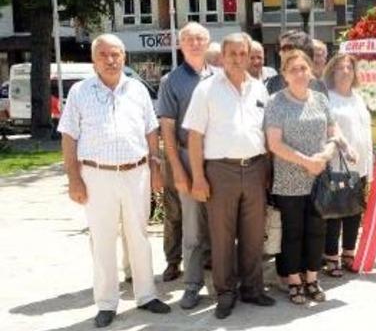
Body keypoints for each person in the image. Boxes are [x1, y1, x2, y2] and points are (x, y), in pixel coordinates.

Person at [58, 34, 171, 328]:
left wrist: (156, 168)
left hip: (137, 173)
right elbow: (69, 137)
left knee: (139, 235)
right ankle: (107, 303)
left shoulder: (137, 90)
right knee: (103, 240)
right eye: (104, 55)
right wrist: (74, 179)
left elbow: (151, 131)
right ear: (94, 60)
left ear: (124, 57)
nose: (110, 60)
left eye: (116, 54)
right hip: (97, 176)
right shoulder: (80, 92)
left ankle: (146, 295)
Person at [183, 33, 276, 320]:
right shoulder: (207, 89)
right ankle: (225, 293)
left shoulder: (260, 89)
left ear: (250, 57)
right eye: (232, 54)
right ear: (222, 57)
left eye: (242, 53)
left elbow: (267, 134)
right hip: (220, 171)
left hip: (256, 167)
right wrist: (198, 177)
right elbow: (195, 137)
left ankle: (252, 288)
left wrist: (268, 172)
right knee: (222, 236)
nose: (238, 59)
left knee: (253, 233)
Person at [264, 50, 353, 303]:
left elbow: (333, 131)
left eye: (303, 68)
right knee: (293, 233)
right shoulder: (276, 102)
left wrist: (324, 156)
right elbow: (274, 143)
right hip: (289, 180)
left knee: (316, 231)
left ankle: (312, 279)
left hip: (319, 179)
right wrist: (306, 162)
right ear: (284, 75)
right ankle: (293, 280)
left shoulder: (321, 99)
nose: (300, 74)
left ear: (311, 71)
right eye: (293, 70)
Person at [156, 22, 215, 309]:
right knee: (191, 228)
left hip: (217, 159)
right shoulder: (171, 81)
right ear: (180, 44)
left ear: (208, 42)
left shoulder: (220, 76)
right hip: (185, 159)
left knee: (219, 225)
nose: (194, 43)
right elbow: (166, 129)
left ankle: (223, 282)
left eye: (200, 38)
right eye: (189, 39)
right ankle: (192, 285)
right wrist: (177, 171)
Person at [321, 53, 373, 277]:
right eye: (340, 68)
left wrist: (369, 166)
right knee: (335, 211)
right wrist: (343, 148)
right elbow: (330, 129)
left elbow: (367, 133)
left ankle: (349, 254)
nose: (345, 72)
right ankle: (331, 257)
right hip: (337, 164)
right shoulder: (327, 98)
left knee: (353, 211)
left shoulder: (359, 98)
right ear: (332, 71)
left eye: (349, 68)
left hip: (359, 165)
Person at [266, 30, 326, 95]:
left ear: (301, 49)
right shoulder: (273, 84)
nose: (280, 53)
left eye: (285, 48)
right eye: (279, 49)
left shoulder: (319, 86)